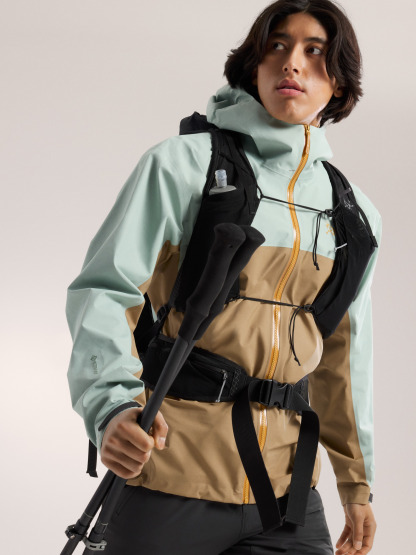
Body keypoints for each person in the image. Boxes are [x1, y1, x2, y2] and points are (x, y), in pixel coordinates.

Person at [65, 1, 381, 553]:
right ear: (252, 65)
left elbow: (344, 358)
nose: (292, 63)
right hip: (168, 474)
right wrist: (111, 408)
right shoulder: (182, 166)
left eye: (315, 52)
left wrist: (356, 484)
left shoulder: (353, 216)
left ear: (338, 81)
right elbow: (106, 292)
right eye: (277, 46)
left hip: (285, 497)